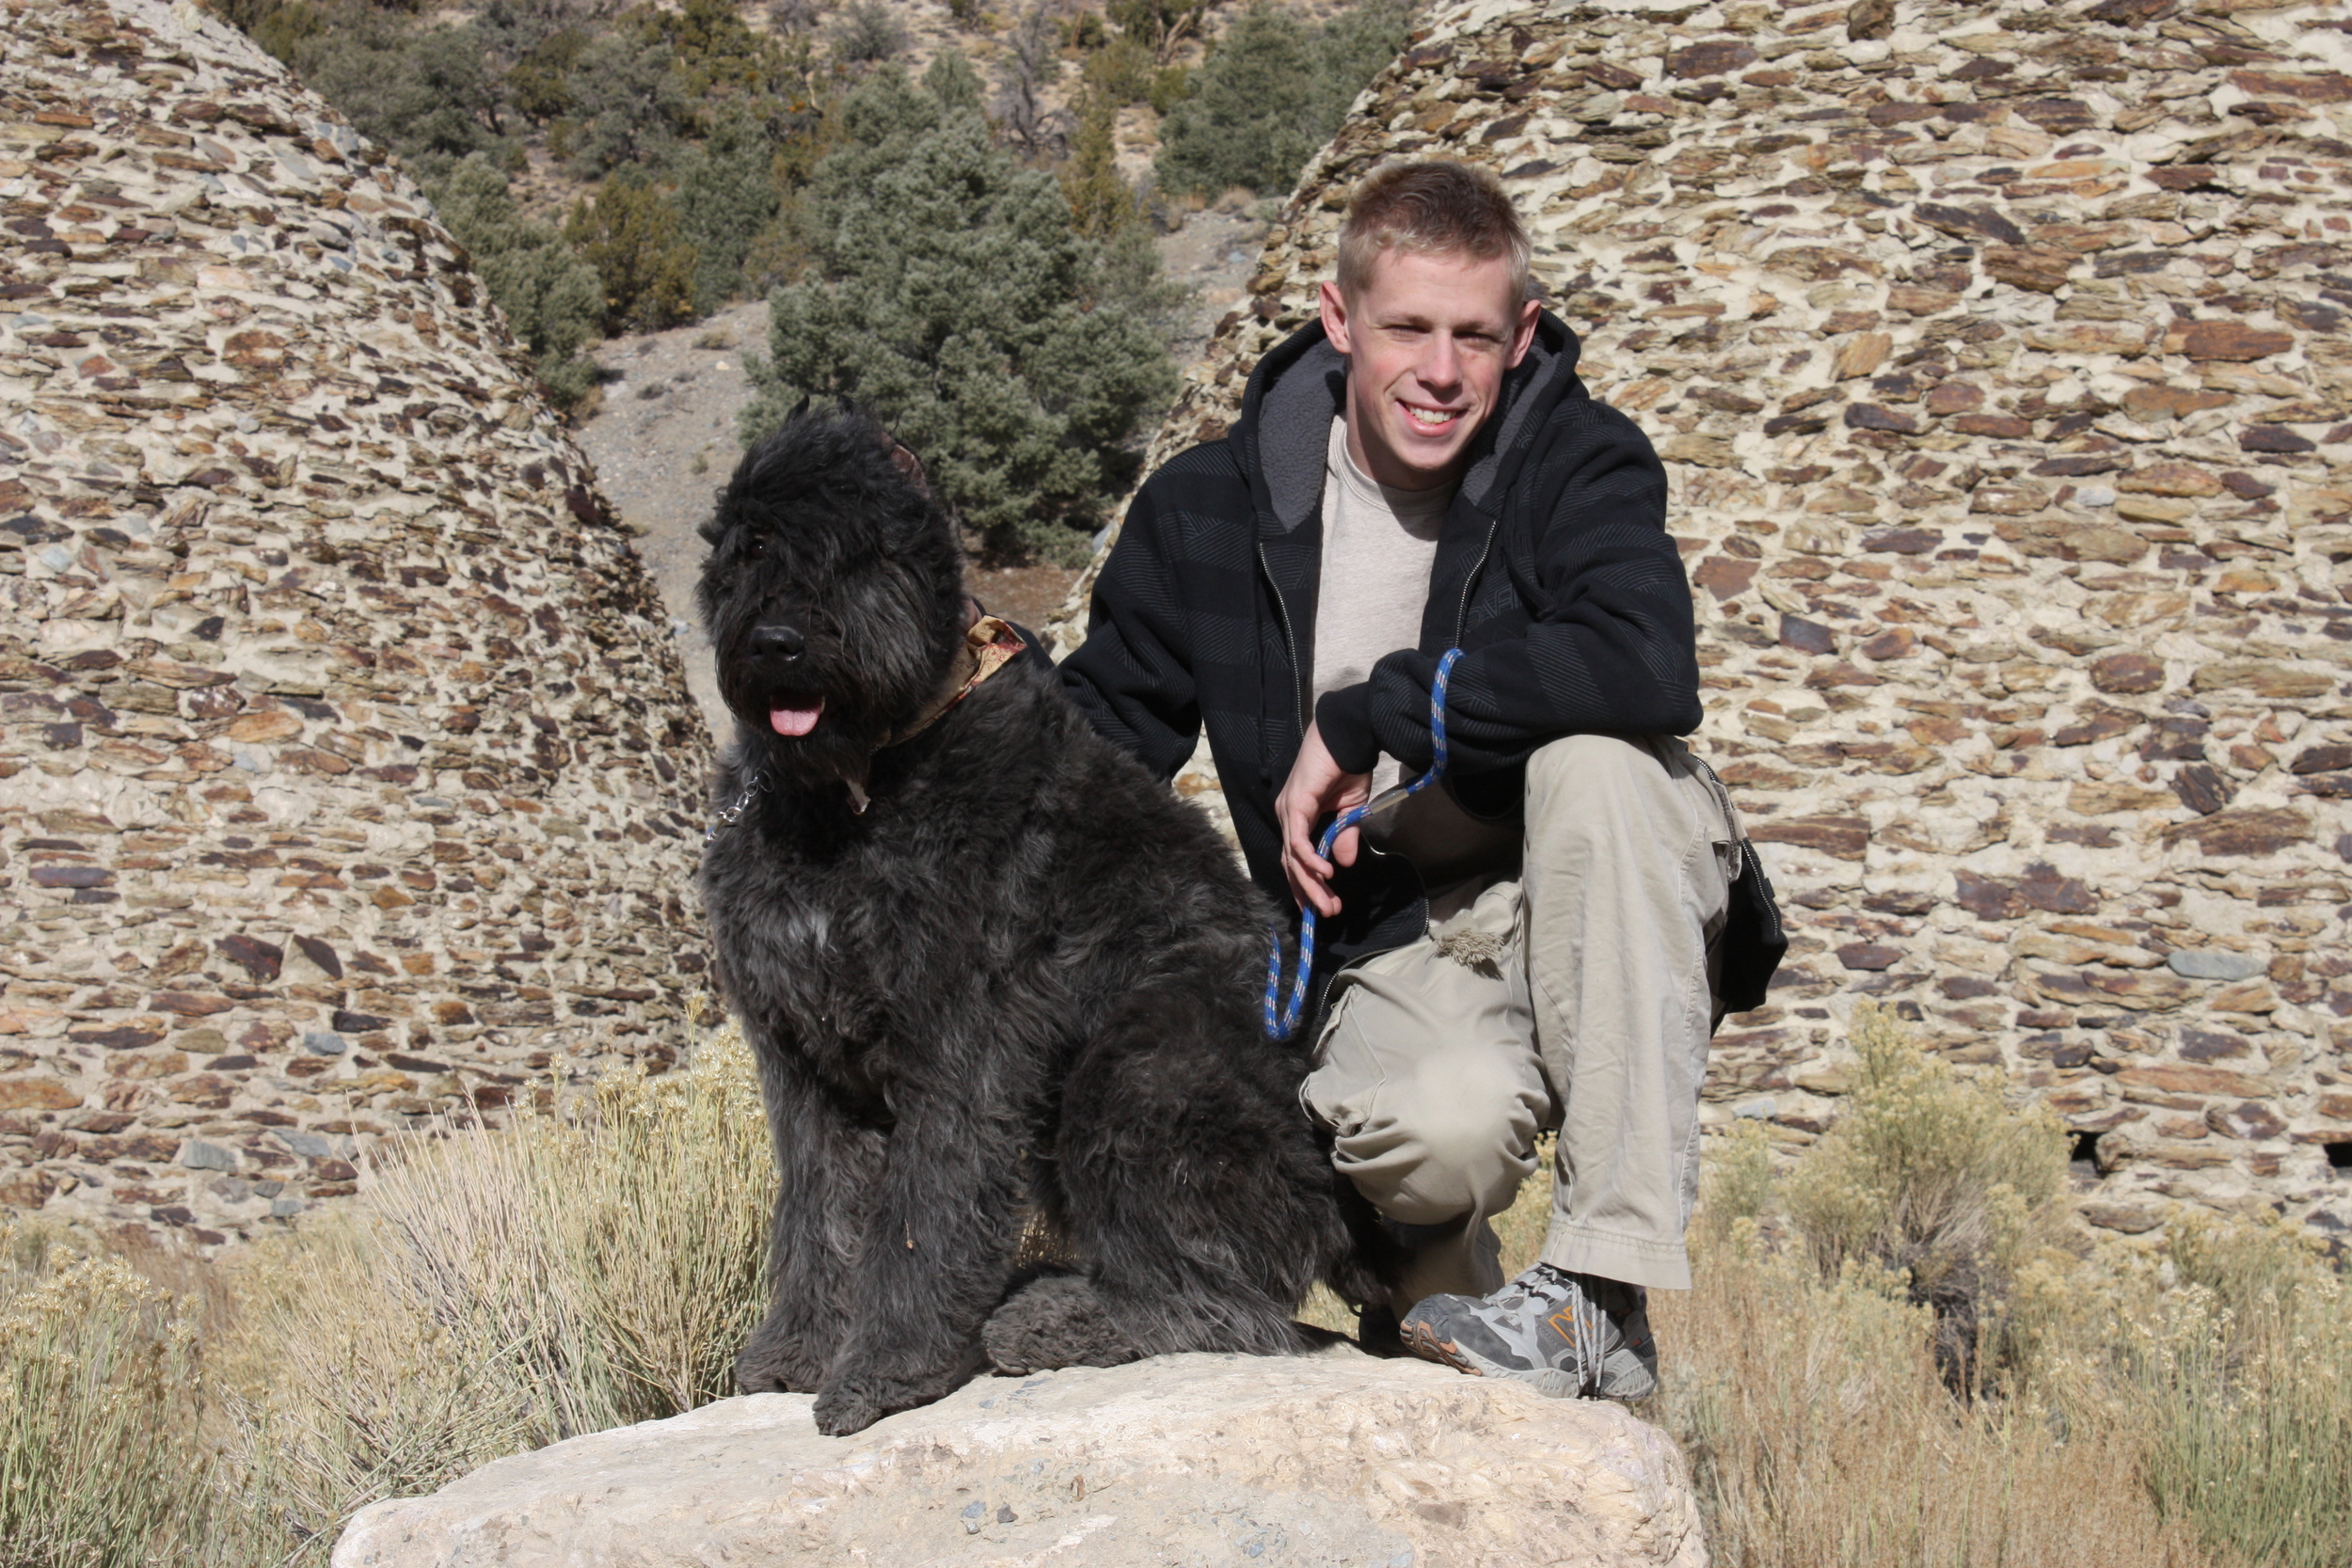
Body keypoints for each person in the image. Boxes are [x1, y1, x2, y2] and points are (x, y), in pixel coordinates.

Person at [1057, 158, 1738, 1400]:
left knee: (1601, 765)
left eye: (1475, 336)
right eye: (1407, 328)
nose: (1440, 371)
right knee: (1438, 1137)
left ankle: (1600, 1290)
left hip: (1593, 883)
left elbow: (1646, 665)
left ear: (1521, 333)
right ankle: (1434, 1289)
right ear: (1338, 319)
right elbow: (1096, 748)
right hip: (1412, 930)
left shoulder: (1576, 466)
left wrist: (1376, 706)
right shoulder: (1207, 508)